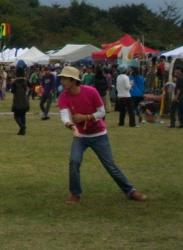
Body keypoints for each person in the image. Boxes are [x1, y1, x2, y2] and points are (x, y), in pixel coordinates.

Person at [56, 65, 147, 204]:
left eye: (64, 79)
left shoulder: (91, 92)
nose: (61, 81)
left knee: (110, 166)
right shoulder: (63, 97)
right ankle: (75, 193)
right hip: (80, 136)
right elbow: (64, 116)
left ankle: (130, 191)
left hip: (99, 135)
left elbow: (102, 112)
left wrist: (85, 118)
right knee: (74, 161)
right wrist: (73, 126)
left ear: (73, 81)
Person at [11, 66, 30, 135]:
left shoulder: (15, 82)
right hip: (24, 100)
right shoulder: (25, 81)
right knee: (23, 115)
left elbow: (12, 91)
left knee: (16, 116)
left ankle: (22, 126)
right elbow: (30, 86)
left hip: (17, 100)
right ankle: (22, 130)